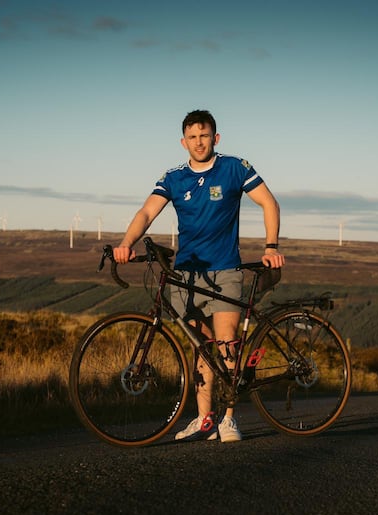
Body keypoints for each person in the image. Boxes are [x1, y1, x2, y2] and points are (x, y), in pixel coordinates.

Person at [113, 109, 285, 443]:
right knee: (201, 349)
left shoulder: (235, 167)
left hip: (225, 268)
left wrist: (271, 246)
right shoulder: (174, 177)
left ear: (215, 138)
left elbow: (269, 203)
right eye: (192, 137)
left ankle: (230, 418)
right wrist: (125, 243)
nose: (199, 142)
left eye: (204, 135)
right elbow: (147, 211)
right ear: (183, 142)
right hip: (186, 275)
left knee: (226, 344)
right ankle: (205, 418)